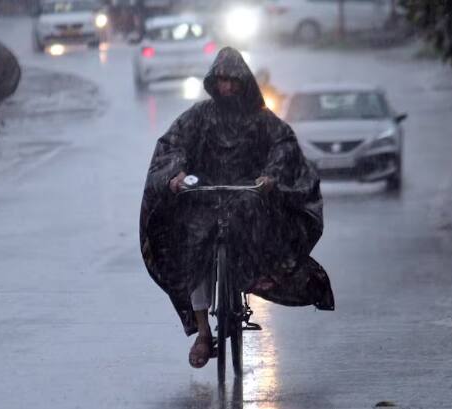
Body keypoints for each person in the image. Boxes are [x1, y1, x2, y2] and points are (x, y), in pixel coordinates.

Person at [140, 47, 334, 369]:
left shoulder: (261, 119)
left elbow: (284, 145)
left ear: (243, 83)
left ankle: (250, 274)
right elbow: (172, 144)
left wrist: (271, 176)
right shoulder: (199, 116)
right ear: (213, 83)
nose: (226, 87)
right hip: (205, 194)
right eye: (221, 81)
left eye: (232, 81)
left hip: (247, 195)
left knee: (260, 229)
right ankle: (204, 332)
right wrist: (175, 175)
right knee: (193, 246)